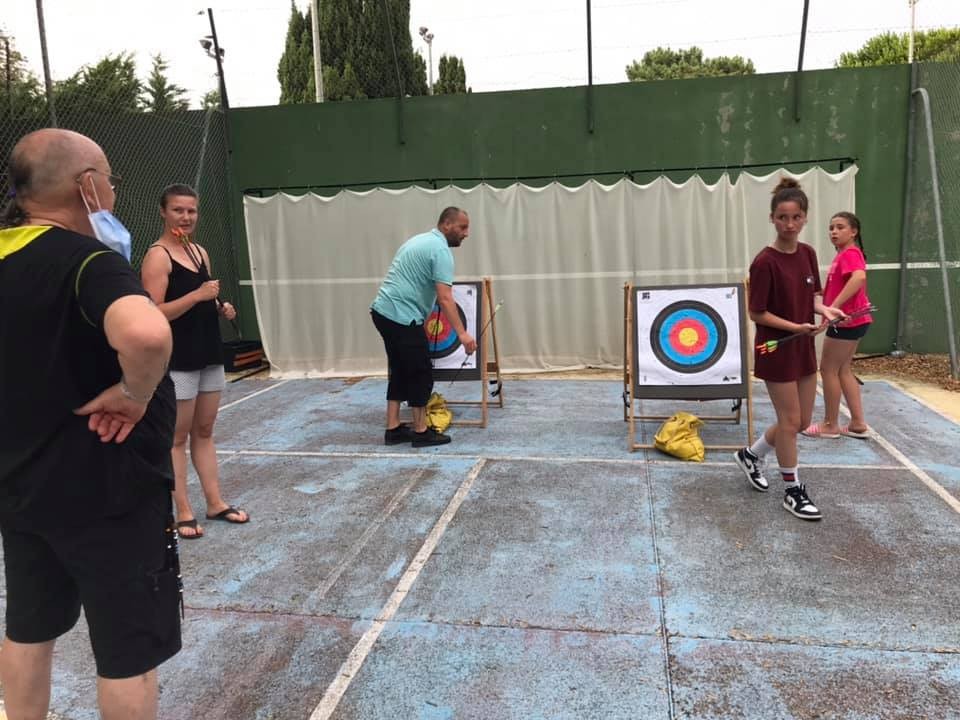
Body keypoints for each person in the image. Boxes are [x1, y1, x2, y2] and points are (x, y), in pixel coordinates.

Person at [0, 129, 180, 719]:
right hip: (108, 492)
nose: (114, 192)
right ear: (87, 186)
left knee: (29, 629)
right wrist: (134, 393)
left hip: (20, 488)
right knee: (128, 652)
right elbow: (147, 334)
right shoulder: (88, 261)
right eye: (111, 179)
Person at [140, 184, 249, 539]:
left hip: (208, 353)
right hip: (179, 358)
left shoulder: (199, 251)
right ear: (163, 212)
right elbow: (152, 312)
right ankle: (183, 511)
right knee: (177, 437)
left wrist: (219, 306)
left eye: (191, 211)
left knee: (204, 431)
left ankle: (215, 503)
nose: (186, 217)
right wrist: (198, 296)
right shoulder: (157, 256)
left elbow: (205, 297)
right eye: (178, 210)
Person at [733, 178, 844, 521]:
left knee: (801, 421)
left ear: (805, 218)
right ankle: (792, 491)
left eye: (796, 217)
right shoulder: (764, 262)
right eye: (783, 217)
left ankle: (751, 455)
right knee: (790, 420)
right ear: (772, 219)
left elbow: (812, 297)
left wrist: (825, 310)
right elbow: (756, 312)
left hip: (802, 346)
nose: (790, 224)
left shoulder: (808, 253)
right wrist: (795, 327)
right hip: (776, 348)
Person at [371, 207, 477, 447]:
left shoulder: (419, 240)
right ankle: (421, 432)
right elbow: (445, 298)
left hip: (383, 312)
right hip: (402, 317)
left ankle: (393, 429)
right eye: (462, 227)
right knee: (420, 372)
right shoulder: (440, 250)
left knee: (400, 369)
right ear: (446, 224)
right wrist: (462, 334)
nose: (466, 233)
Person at [802, 211, 872, 439]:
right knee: (843, 370)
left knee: (828, 370)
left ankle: (830, 424)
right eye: (831, 228)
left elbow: (859, 278)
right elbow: (839, 285)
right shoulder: (843, 254)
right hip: (853, 320)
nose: (834, 231)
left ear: (854, 232)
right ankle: (857, 423)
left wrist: (833, 308)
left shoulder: (850, 253)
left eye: (840, 227)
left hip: (846, 322)